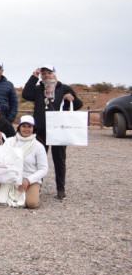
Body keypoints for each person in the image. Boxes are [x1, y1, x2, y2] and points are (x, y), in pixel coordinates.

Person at [21, 64, 83, 200]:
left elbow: (78, 105)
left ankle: (61, 189)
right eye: (43, 74)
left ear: (54, 74)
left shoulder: (64, 88)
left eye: (49, 73)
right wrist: (33, 77)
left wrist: (72, 99)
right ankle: (37, 185)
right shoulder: (38, 89)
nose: (46, 76)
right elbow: (26, 94)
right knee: (37, 159)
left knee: (59, 159)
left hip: (58, 131)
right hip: (41, 130)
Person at [0, 116, 49, 209]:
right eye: (24, 126)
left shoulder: (38, 146)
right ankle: (6, 192)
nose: (26, 129)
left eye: (29, 126)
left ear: (33, 128)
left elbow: (43, 169)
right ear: (19, 127)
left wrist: (28, 180)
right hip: (11, 177)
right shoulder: (10, 141)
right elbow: (2, 156)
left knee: (32, 204)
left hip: (29, 179)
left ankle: (32, 191)